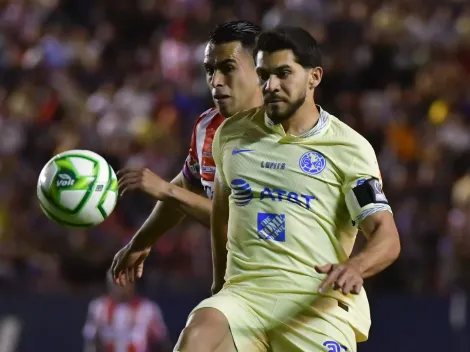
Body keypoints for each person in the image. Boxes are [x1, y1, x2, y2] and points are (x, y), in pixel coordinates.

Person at [174, 27, 401, 352]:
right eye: (264, 75)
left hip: (314, 304)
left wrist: (355, 267)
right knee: (197, 335)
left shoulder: (349, 148)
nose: (271, 85)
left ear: (314, 77)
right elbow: (222, 214)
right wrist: (220, 284)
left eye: (283, 74)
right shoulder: (231, 135)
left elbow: (386, 235)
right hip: (245, 298)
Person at [111, 20, 262, 286]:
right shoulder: (207, 125)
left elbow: (247, 224)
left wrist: (166, 190)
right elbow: (187, 186)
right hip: (245, 287)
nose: (215, 81)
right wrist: (142, 240)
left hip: (297, 288)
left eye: (228, 68)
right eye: (209, 70)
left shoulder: (285, 135)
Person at [82, 271, 171, 352]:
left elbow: (161, 341)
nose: (120, 286)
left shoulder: (148, 309)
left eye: (125, 282)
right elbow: (91, 340)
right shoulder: (99, 307)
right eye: (116, 282)